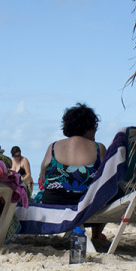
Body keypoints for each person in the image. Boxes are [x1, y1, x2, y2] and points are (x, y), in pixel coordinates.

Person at [36, 103, 108, 248]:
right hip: (88, 208)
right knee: (105, 192)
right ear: (88, 127)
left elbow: (43, 177)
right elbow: (105, 180)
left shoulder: (53, 147)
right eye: (94, 127)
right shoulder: (98, 148)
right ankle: (96, 235)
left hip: (54, 205)